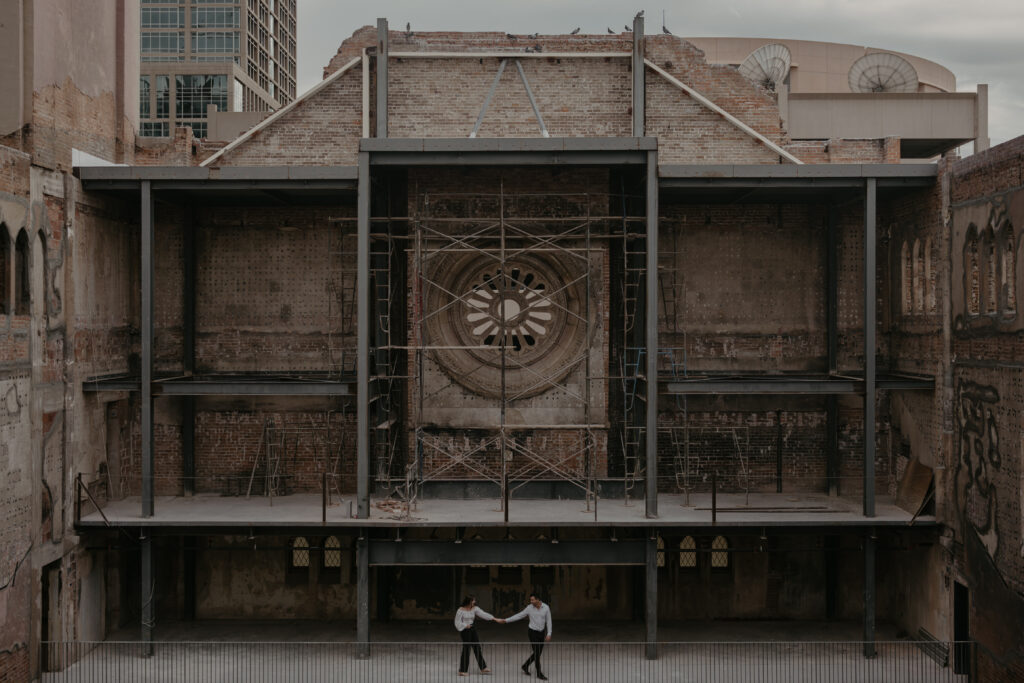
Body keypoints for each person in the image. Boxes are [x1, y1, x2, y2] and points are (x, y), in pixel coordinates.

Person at [504, 593, 553, 680]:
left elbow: (548, 621)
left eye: (532, 600)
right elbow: (519, 615)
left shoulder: (546, 607)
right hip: (532, 633)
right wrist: (506, 620)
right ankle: (539, 673)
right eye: (530, 600)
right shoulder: (529, 608)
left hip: (541, 633)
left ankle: (525, 665)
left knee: (537, 653)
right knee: (537, 654)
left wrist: (549, 633)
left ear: (538, 599)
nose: (531, 601)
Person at [454, 595, 504, 676]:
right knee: (466, 649)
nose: (475, 602)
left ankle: (483, 667)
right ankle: (462, 670)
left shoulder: (474, 608)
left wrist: (495, 619)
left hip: (472, 629)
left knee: (477, 647)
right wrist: (464, 625)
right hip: (465, 631)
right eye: (473, 600)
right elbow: (457, 622)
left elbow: (484, 614)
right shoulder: (460, 610)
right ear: (469, 601)